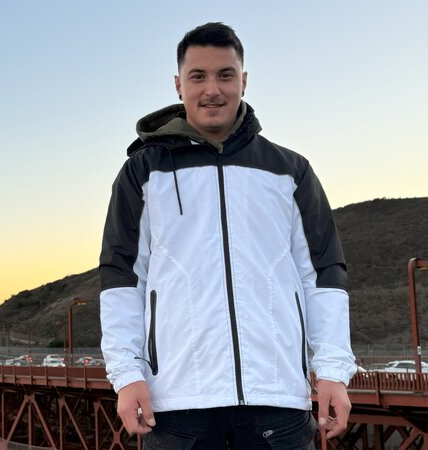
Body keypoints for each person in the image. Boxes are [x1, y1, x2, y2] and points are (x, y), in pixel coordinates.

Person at [99, 22, 356, 449]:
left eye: (225, 74)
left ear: (244, 80)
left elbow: (323, 274)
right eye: (198, 76)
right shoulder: (143, 172)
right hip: (178, 402)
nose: (212, 89)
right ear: (179, 85)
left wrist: (331, 370)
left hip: (278, 399)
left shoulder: (290, 171)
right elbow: (123, 276)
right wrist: (127, 375)